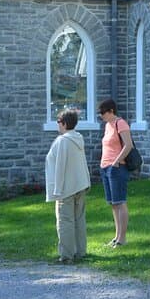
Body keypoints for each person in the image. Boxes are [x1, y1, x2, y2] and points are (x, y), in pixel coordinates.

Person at [45, 108, 91, 263]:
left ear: (64, 123)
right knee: (79, 219)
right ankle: (80, 251)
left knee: (65, 221)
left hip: (66, 187)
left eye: (58, 122)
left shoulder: (63, 141)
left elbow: (60, 166)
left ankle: (66, 255)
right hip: (80, 184)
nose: (57, 125)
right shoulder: (78, 138)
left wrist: (57, 189)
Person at [97, 98, 133, 247]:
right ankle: (116, 236)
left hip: (117, 167)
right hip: (105, 167)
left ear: (111, 111)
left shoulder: (121, 123)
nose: (102, 116)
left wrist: (117, 161)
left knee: (120, 202)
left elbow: (128, 145)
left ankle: (122, 238)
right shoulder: (108, 125)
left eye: (103, 113)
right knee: (113, 203)